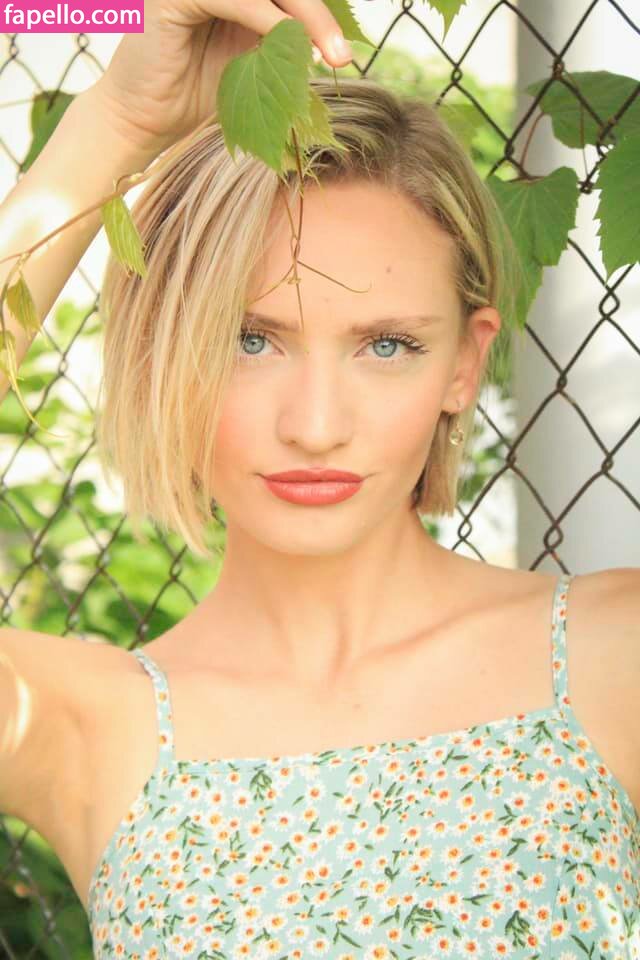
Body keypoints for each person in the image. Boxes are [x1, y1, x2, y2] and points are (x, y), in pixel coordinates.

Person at [0, 1, 638, 957]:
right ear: (166, 349)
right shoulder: (85, 722)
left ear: (463, 365)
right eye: (250, 340)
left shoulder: (613, 656)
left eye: (386, 346)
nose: (315, 425)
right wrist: (118, 123)